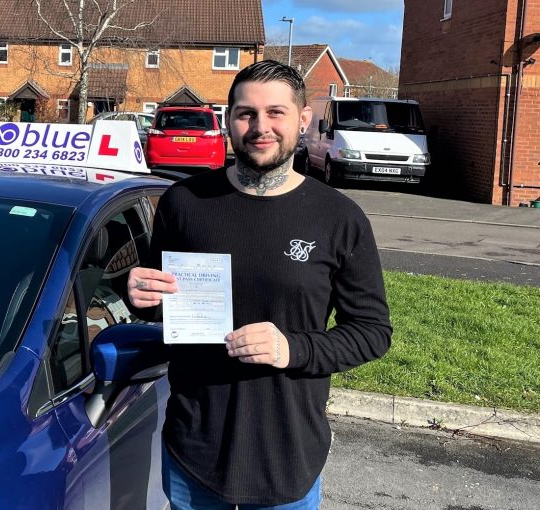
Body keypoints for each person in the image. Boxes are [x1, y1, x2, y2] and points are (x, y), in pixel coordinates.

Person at [128, 60, 392, 509]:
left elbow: (372, 332)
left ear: (303, 120)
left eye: (276, 113)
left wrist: (294, 349)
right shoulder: (185, 203)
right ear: (229, 119)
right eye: (246, 113)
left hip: (287, 457)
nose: (259, 127)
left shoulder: (338, 218)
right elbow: (164, 307)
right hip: (195, 449)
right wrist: (141, 297)